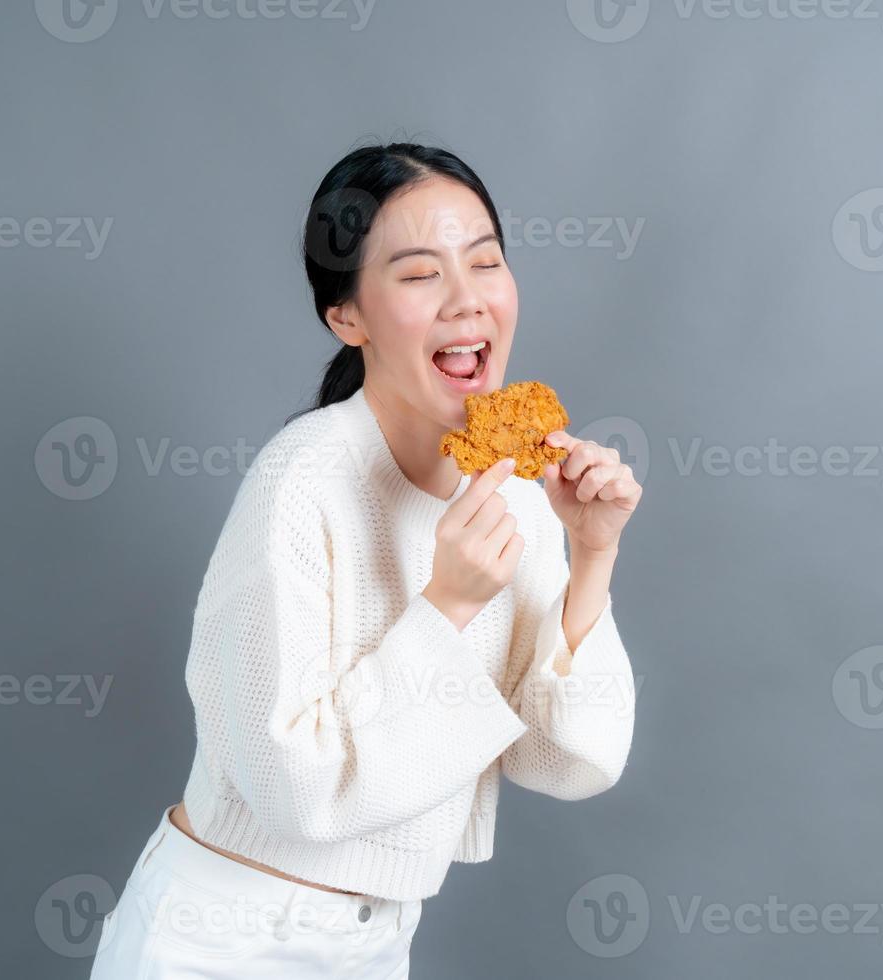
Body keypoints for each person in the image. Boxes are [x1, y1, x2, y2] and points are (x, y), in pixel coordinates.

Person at [88, 141, 644, 979]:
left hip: (375, 945)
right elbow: (292, 787)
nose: (468, 300)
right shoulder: (301, 478)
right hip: (224, 937)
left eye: (486, 261)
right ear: (347, 317)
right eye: (420, 275)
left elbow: (565, 761)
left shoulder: (515, 493)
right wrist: (447, 607)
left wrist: (591, 554)